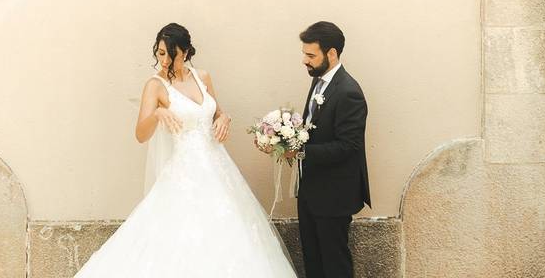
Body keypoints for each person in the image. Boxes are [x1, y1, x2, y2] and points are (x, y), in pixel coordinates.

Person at [74, 23, 298, 277]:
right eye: (160, 53)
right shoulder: (155, 86)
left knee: (230, 233)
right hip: (184, 173)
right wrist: (157, 112)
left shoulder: (202, 78)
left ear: (186, 52)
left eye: (172, 53)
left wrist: (225, 118)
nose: (165, 60)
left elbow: (216, 112)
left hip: (219, 169)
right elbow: (141, 134)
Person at [296, 21, 371, 278]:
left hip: (334, 195)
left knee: (334, 263)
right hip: (311, 191)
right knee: (313, 261)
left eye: (310, 55)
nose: (304, 60)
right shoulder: (319, 82)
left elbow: (348, 146)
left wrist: (299, 150)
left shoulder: (349, 92)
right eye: (304, 53)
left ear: (331, 53)